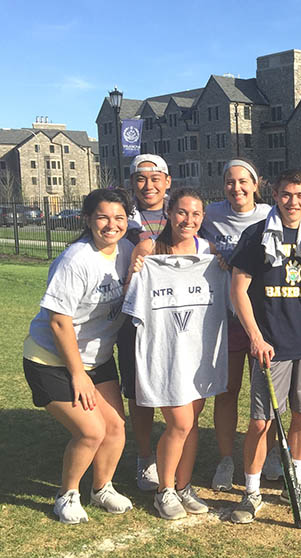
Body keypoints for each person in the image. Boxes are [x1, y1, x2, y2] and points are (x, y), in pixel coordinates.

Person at [228, 169, 301, 523]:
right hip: (270, 347)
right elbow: (238, 290)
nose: (293, 202)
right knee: (261, 422)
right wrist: (256, 337)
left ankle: (297, 482)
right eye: (286, 195)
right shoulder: (257, 235)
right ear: (276, 195)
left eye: (299, 196)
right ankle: (251, 492)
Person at [23, 188, 134, 523]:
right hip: (52, 360)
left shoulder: (126, 250)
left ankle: (102, 489)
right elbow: (58, 322)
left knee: (115, 427)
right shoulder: (75, 259)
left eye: (119, 218)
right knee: (90, 431)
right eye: (102, 217)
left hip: (95, 359)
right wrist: (77, 374)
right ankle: (66, 495)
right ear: (88, 220)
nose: (111, 225)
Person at [124, 189, 227, 520]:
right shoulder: (150, 250)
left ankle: (183, 486)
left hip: (196, 354)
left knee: (192, 423)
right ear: (169, 213)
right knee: (179, 423)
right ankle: (163, 490)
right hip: (164, 354)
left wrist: (223, 267)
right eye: (182, 213)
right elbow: (131, 302)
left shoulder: (208, 251)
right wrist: (135, 271)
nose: (189, 220)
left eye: (196, 215)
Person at [200, 158, 271, 492]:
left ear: (256, 184)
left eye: (244, 181)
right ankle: (226, 459)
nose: (237, 188)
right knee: (228, 392)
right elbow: (181, 234)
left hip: (263, 320)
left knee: (268, 394)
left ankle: (266, 454)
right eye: (230, 181)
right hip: (225, 319)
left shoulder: (271, 215)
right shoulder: (210, 214)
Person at [118, 154, 171, 492]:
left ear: (167, 181)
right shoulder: (121, 216)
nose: (148, 185)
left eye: (155, 178)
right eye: (141, 178)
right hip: (135, 317)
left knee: (173, 387)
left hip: (175, 317)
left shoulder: (184, 211)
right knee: (138, 393)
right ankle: (143, 457)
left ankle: (175, 448)